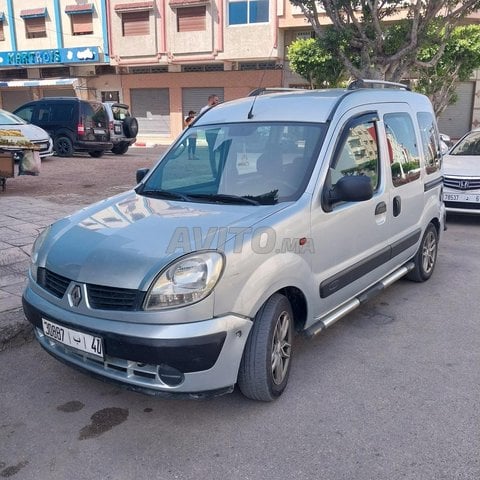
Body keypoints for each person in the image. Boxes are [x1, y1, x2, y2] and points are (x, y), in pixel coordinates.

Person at [200, 94, 220, 173]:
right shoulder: (204, 109)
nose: (218, 102)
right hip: (210, 133)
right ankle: (214, 171)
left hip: (218, 132)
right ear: (211, 100)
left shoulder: (218, 109)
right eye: (216, 100)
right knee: (212, 152)